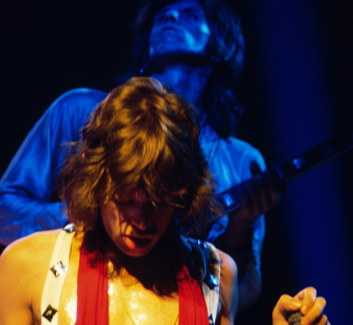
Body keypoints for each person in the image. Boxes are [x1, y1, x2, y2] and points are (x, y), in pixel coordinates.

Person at [0, 0, 278, 309]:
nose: (170, 18)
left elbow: (243, 294)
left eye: (189, 15)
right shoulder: (79, 110)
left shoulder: (242, 160)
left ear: (220, 45)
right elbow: (3, 211)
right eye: (161, 17)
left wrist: (239, 230)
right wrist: (87, 215)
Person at [0, 78, 328, 325]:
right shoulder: (27, 268)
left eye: (159, 203)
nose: (141, 220)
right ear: (98, 182)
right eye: (126, 200)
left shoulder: (217, 275)